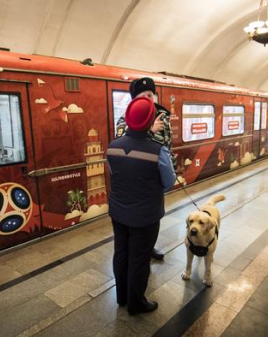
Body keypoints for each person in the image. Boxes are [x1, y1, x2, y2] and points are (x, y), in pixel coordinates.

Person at [106, 96, 175, 315]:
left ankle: (122, 297)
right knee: (139, 259)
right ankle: (136, 304)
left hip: (118, 212)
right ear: (150, 121)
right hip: (145, 216)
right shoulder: (158, 150)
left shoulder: (113, 146)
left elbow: (116, 174)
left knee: (121, 253)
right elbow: (169, 181)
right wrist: (150, 192)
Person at [116, 77, 176, 261]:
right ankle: (136, 253)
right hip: (133, 180)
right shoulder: (124, 119)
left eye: (151, 95)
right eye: (144, 96)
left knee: (153, 219)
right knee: (133, 220)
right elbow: (123, 147)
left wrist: (170, 171)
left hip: (154, 180)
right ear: (135, 100)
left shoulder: (163, 118)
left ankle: (148, 248)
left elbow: (167, 146)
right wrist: (150, 131)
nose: (149, 99)